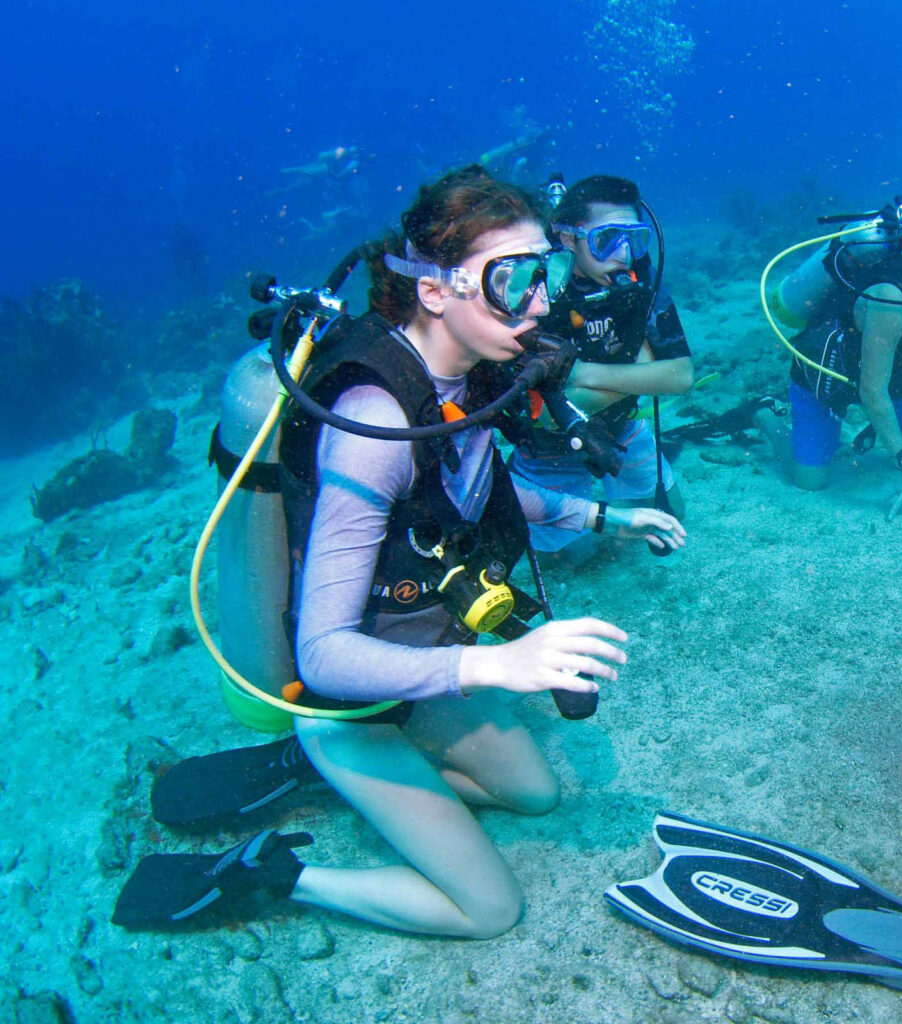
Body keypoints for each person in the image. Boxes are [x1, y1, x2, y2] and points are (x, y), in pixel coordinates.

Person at [114, 166, 684, 938]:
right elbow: (321, 656)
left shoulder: (471, 383)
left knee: (537, 796)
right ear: (435, 290)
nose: (543, 301)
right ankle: (281, 870)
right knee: (488, 909)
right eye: (513, 279)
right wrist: (493, 665)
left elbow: (479, 493)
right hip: (346, 700)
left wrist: (603, 518)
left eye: (542, 273)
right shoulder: (371, 429)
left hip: (414, 670)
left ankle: (356, 777)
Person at [505, 174, 694, 559]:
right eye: (606, 239)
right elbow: (541, 418)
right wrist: (641, 374)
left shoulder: (641, 279)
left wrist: (581, 375)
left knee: (672, 523)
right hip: (548, 448)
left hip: (621, 425)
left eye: (634, 238)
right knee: (568, 557)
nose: (624, 255)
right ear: (567, 237)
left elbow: (681, 376)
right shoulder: (534, 287)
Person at [759, 210, 902, 516]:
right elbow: (871, 391)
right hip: (830, 378)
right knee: (809, 481)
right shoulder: (890, 299)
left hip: (893, 377)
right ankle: (762, 415)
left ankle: (877, 428)